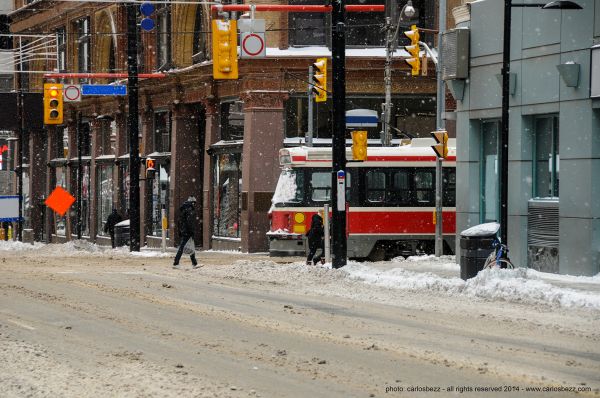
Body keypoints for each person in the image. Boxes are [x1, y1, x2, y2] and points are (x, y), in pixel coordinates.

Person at [173, 196, 198, 268]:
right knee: (183, 247)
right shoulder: (189, 210)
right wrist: (192, 231)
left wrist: (180, 230)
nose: (195, 205)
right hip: (188, 231)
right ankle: (176, 263)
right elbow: (190, 222)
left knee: (190, 246)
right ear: (192, 203)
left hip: (184, 230)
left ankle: (194, 263)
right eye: (194, 203)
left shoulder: (184, 209)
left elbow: (179, 221)